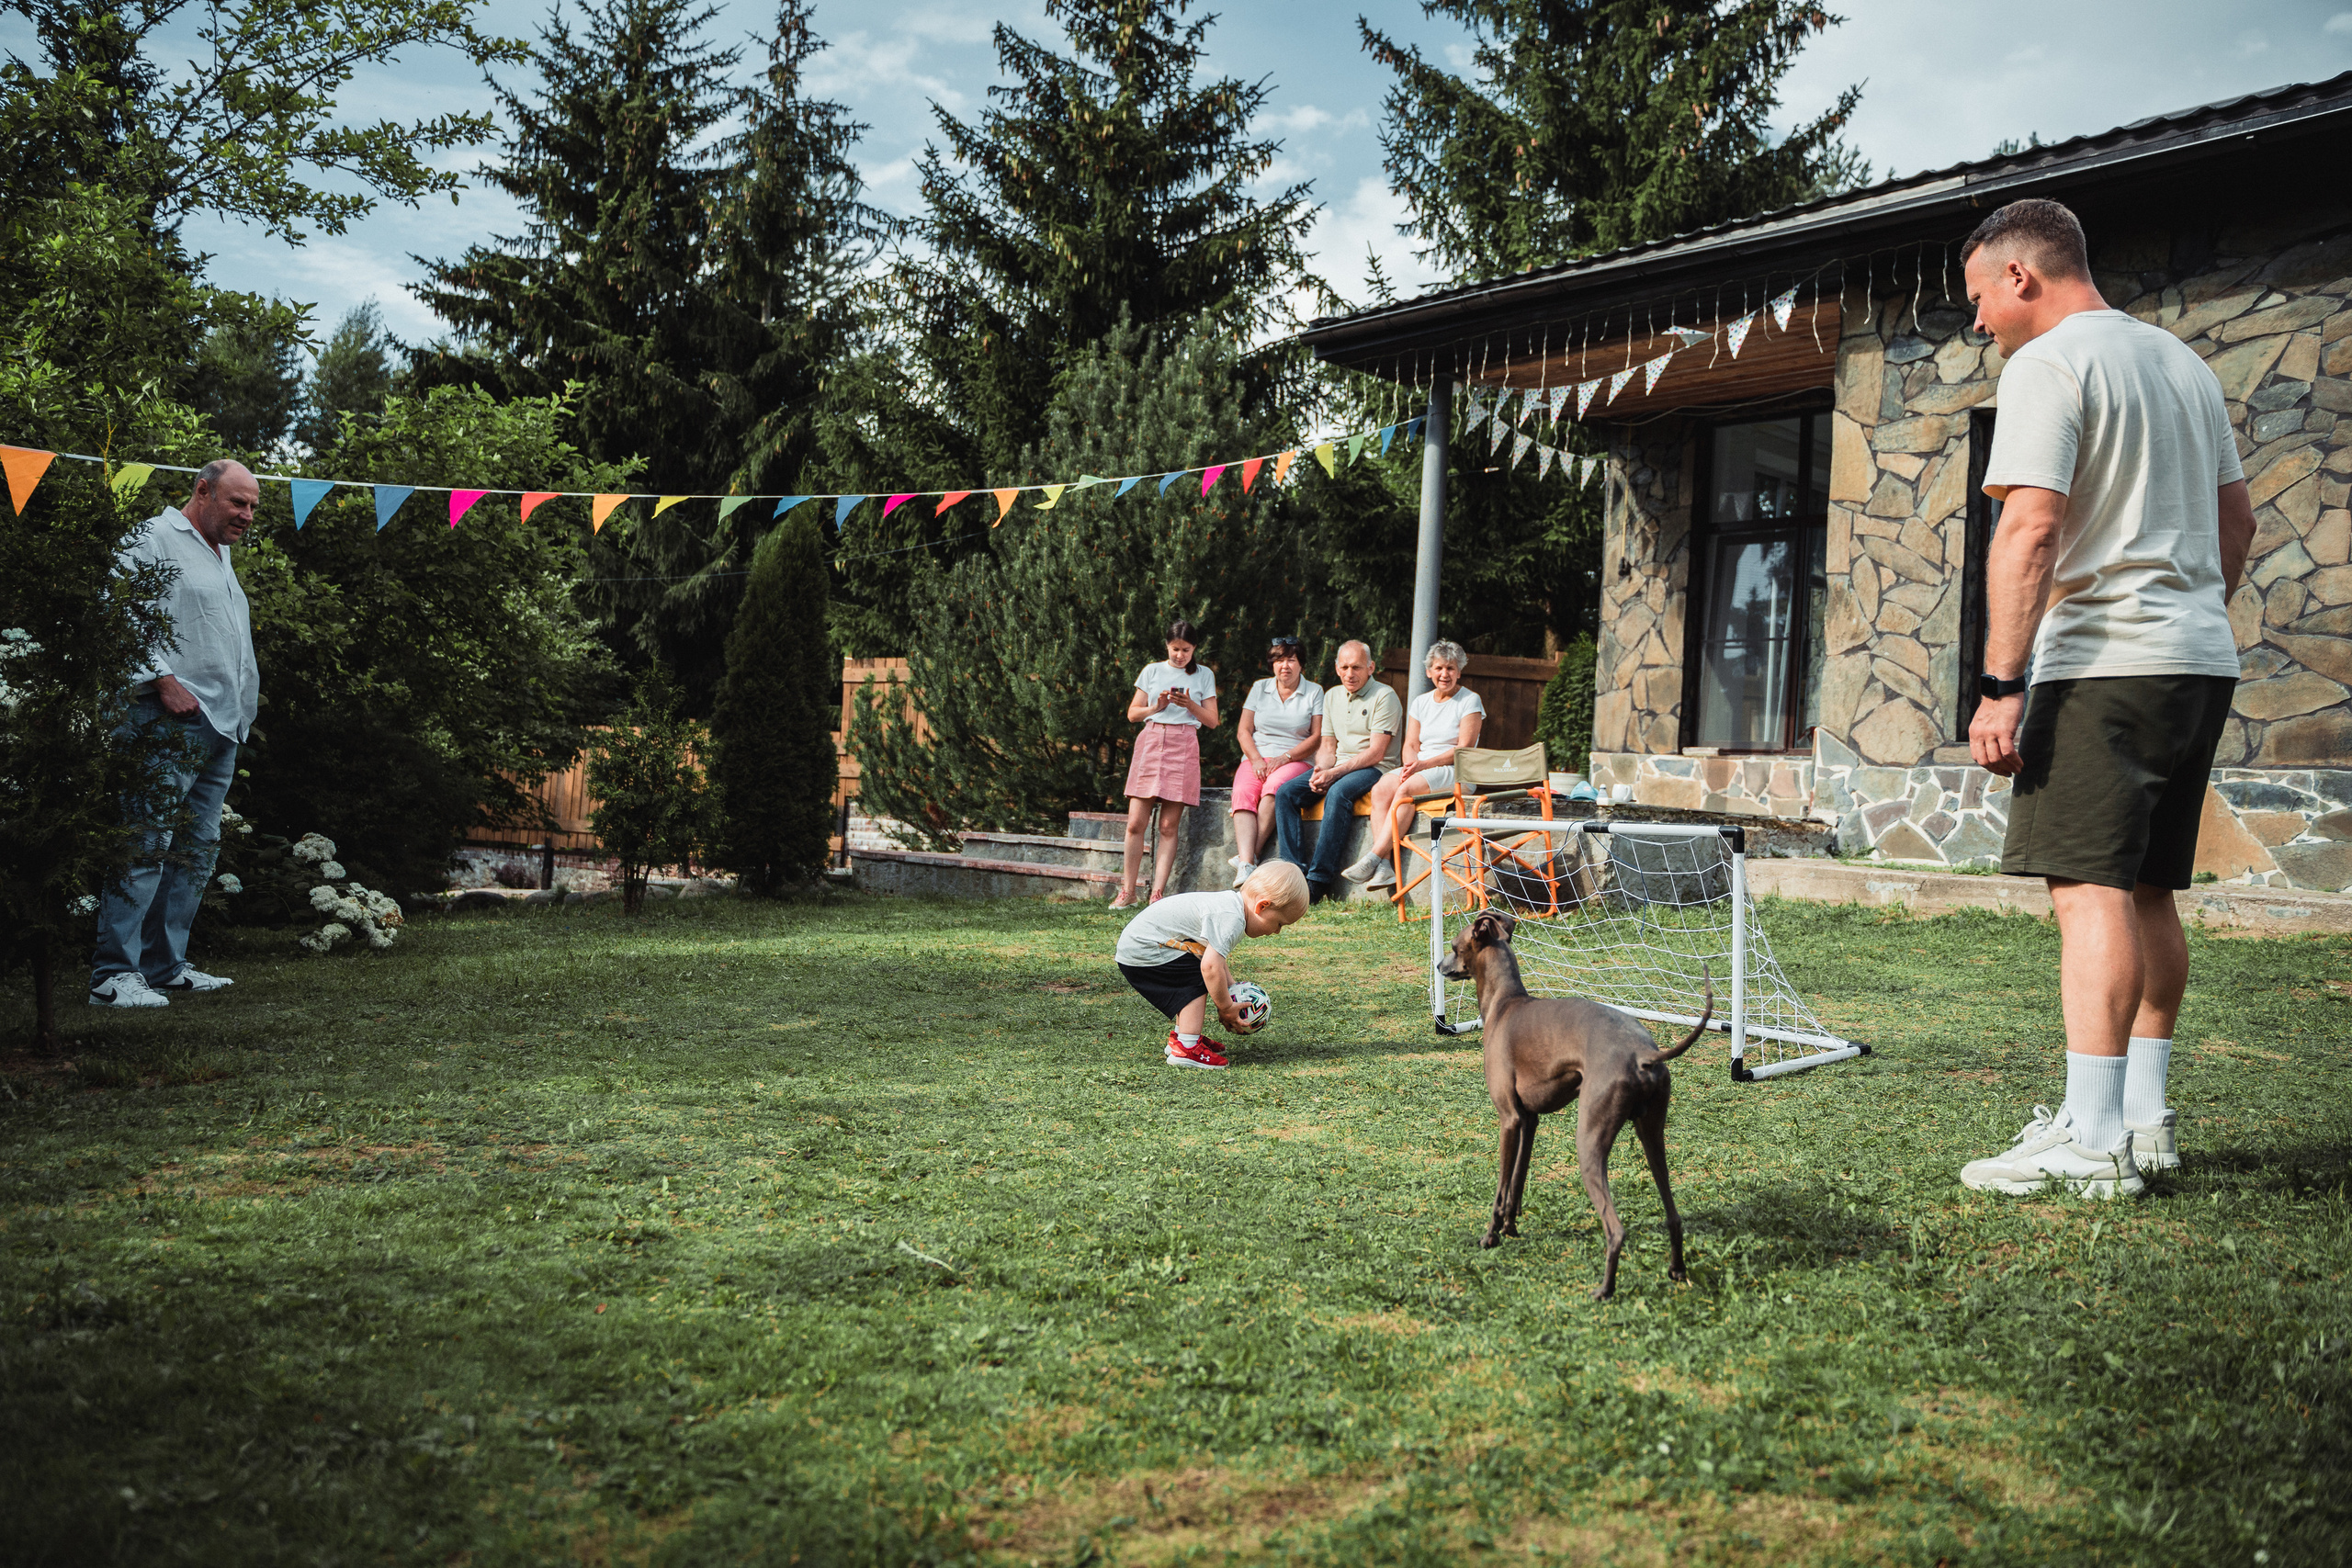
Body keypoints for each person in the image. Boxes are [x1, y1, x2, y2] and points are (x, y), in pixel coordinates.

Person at [1958, 197, 2256, 1200]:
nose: (1976, 323)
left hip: (2103, 666)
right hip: (2195, 659)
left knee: (2086, 889)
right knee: (2146, 889)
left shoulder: (2046, 363)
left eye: (1976, 299)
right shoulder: (2184, 365)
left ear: (2018, 277)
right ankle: (2143, 1120)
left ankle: (2089, 1143)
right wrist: (2187, 604)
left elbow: (2029, 529)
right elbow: (2237, 524)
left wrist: (2001, 684)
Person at [90, 459, 264, 1008]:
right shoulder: (153, 537)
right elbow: (119, 612)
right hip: (168, 717)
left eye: (254, 506)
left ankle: (165, 967)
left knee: (195, 850)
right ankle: (112, 975)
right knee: (146, 841)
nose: (247, 515)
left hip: (221, 723)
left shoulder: (221, 553)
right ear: (203, 490)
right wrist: (162, 680)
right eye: (238, 503)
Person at [1114, 860, 1309, 1069]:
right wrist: (1226, 1007)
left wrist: (1232, 988)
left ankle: (1182, 1039)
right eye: (1280, 923)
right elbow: (1211, 967)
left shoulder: (1231, 906)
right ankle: (1186, 1048)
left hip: (1141, 945)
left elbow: (1213, 956)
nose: (1277, 931)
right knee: (1196, 977)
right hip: (1144, 948)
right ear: (1262, 906)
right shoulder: (1232, 918)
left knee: (1193, 971)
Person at [1344, 639, 1484, 890]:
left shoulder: (1469, 700)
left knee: (1405, 791)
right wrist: (1412, 765)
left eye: (1451, 668)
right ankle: (1386, 867)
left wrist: (1422, 766)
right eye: (1439, 668)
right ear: (1429, 671)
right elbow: (1410, 744)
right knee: (1381, 789)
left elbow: (1464, 748)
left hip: (1456, 771)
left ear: (1459, 672)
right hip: (1422, 767)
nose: (1444, 674)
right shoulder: (1421, 702)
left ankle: (1373, 856)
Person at [1272, 639, 1402, 903]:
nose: (1349, 673)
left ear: (1371, 667)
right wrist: (1321, 769)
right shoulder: (1332, 696)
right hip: (1340, 765)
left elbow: (1377, 752)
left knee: (1338, 793)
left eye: (1356, 667)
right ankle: (1293, 876)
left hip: (1375, 768)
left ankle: (1317, 882)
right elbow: (1328, 745)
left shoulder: (1385, 696)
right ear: (1336, 668)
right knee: (1286, 792)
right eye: (1344, 667)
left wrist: (1335, 774)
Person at [1114, 618, 1218, 910]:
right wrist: (1156, 707)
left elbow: (1212, 720)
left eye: (1186, 650)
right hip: (1151, 742)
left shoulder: (1204, 675)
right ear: (1167, 646)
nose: (1180, 655)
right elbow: (1133, 714)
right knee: (1135, 823)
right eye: (1175, 649)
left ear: (1194, 648)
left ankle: (1157, 893)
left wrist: (1190, 705)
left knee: (1169, 825)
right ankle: (1128, 890)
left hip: (1183, 744)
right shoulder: (1152, 670)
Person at [1227, 636, 1323, 887]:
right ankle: (1248, 863)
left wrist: (1286, 757)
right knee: (1243, 791)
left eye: (1291, 660)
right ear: (1272, 665)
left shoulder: (1314, 691)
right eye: (1279, 660)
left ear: (1301, 664)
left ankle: (1247, 859)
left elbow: (1316, 737)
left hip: (1295, 757)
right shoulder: (1260, 688)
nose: (1285, 666)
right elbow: (1243, 731)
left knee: (1274, 787)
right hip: (1257, 757)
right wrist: (1256, 759)